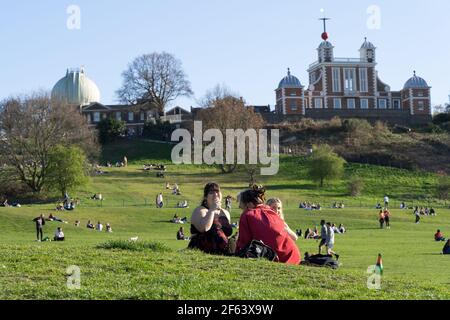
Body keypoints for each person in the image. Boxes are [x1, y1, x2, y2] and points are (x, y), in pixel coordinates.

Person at [236, 185, 301, 265]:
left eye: (242, 206)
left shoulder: (247, 215)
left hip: (279, 259)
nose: (240, 207)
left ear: (248, 204)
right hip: (293, 254)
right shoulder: (269, 210)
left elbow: (243, 242)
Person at [188, 183, 232, 255]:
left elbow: (227, 234)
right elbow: (204, 228)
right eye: (211, 193)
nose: (215, 195)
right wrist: (212, 210)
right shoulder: (200, 210)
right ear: (205, 197)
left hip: (223, 252)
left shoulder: (225, 213)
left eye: (217, 191)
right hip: (202, 251)